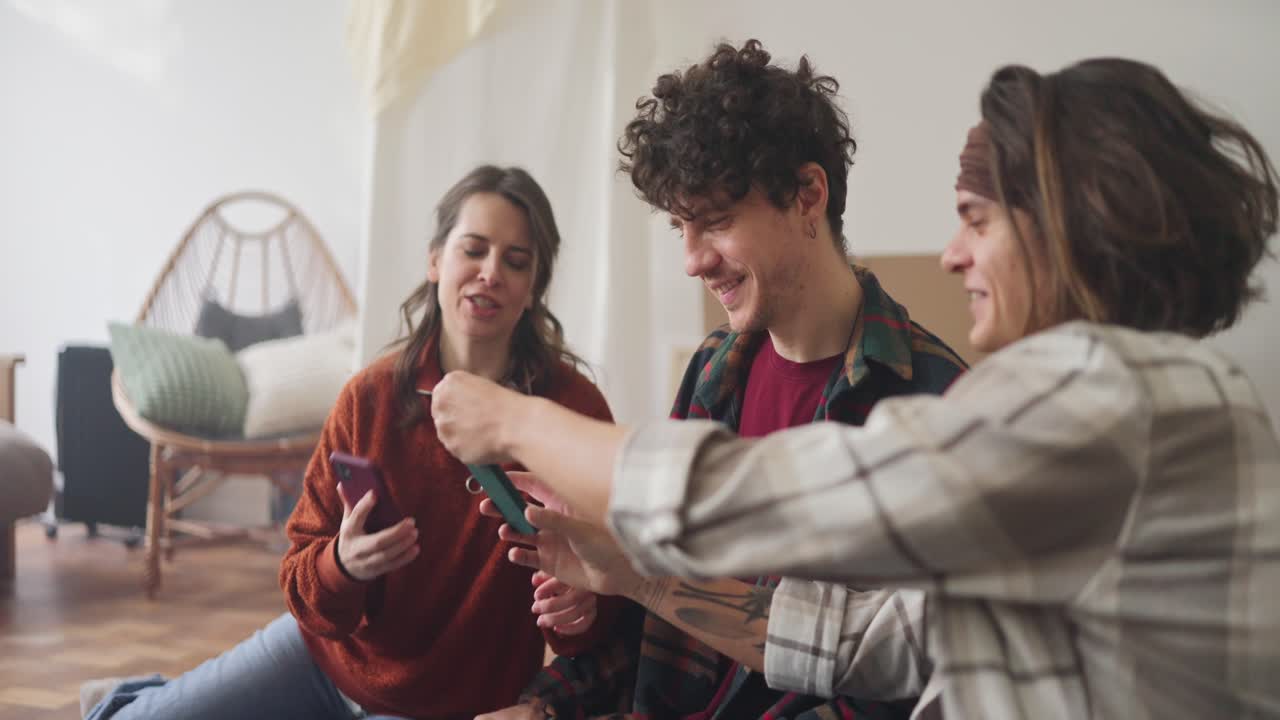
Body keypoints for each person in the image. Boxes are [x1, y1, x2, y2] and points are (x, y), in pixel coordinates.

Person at [430, 59, 1280, 719]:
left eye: (976, 220)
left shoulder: (1103, 399)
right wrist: (631, 583)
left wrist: (515, 418)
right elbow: (879, 636)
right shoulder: (1149, 399)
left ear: (1077, 223)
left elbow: (756, 499)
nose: (951, 254)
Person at [474, 39, 967, 720]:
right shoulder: (714, 374)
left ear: (807, 196)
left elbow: (900, 689)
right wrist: (548, 706)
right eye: (680, 227)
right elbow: (669, 621)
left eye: (715, 223)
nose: (692, 261)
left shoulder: (933, 404)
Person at [85, 165, 621, 720]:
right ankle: (135, 701)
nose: (490, 273)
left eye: (516, 261)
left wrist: (582, 608)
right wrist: (342, 562)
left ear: (535, 287)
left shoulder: (572, 415)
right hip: (322, 660)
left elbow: (608, 621)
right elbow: (300, 577)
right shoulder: (370, 398)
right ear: (436, 261)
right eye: (474, 250)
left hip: (451, 705)